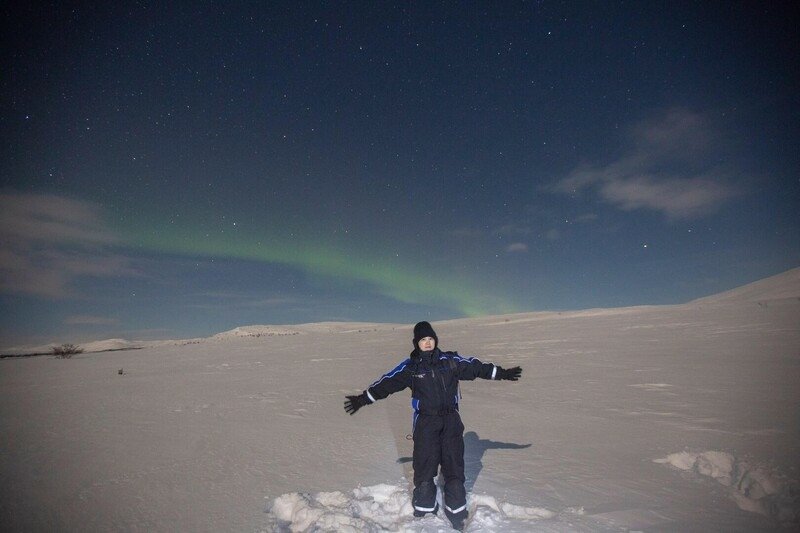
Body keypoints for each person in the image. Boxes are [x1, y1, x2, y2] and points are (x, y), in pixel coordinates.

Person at [344, 321, 522, 530]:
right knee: (424, 467)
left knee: (454, 466)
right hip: (426, 423)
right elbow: (387, 383)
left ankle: (457, 512)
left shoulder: (450, 361)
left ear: (435, 340)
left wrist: (501, 373)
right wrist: (362, 399)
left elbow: (475, 367)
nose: (427, 343)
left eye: (430, 339)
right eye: (423, 340)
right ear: (416, 343)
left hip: (451, 422)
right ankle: (425, 512)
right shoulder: (411, 368)